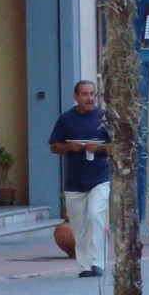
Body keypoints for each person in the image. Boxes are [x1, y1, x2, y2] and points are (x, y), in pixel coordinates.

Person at [49, 80, 110, 278]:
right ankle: (84, 266)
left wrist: (99, 147)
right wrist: (71, 147)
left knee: (95, 215)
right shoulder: (66, 119)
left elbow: (117, 146)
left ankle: (98, 263)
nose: (90, 98)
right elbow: (54, 146)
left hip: (100, 177)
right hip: (74, 181)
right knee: (79, 225)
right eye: (84, 94)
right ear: (76, 97)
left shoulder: (104, 118)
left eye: (92, 93)